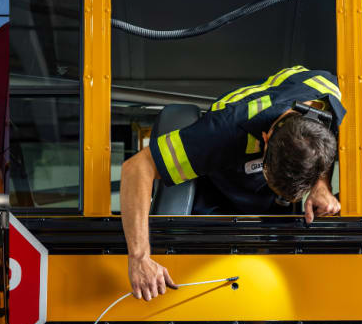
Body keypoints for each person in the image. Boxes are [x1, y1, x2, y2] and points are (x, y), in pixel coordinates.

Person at [120, 65, 346, 301]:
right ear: (265, 140)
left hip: (265, 205)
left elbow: (329, 132)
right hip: (216, 192)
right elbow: (136, 168)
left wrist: (321, 185)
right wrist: (139, 258)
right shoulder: (222, 131)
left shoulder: (330, 94)